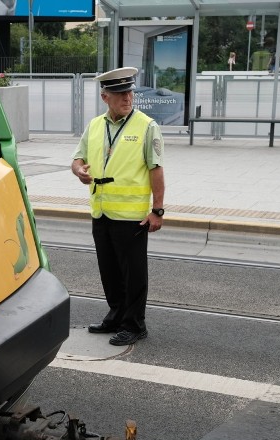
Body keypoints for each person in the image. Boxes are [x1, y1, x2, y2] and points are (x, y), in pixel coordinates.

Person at [70, 67, 166, 346]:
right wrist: (79, 171)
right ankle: (116, 315)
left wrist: (157, 210)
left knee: (133, 273)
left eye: (129, 92)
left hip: (132, 216)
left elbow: (156, 169)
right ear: (105, 97)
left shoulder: (147, 126)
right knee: (109, 270)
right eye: (120, 93)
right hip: (100, 211)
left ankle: (135, 325)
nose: (127, 98)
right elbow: (77, 159)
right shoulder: (95, 125)